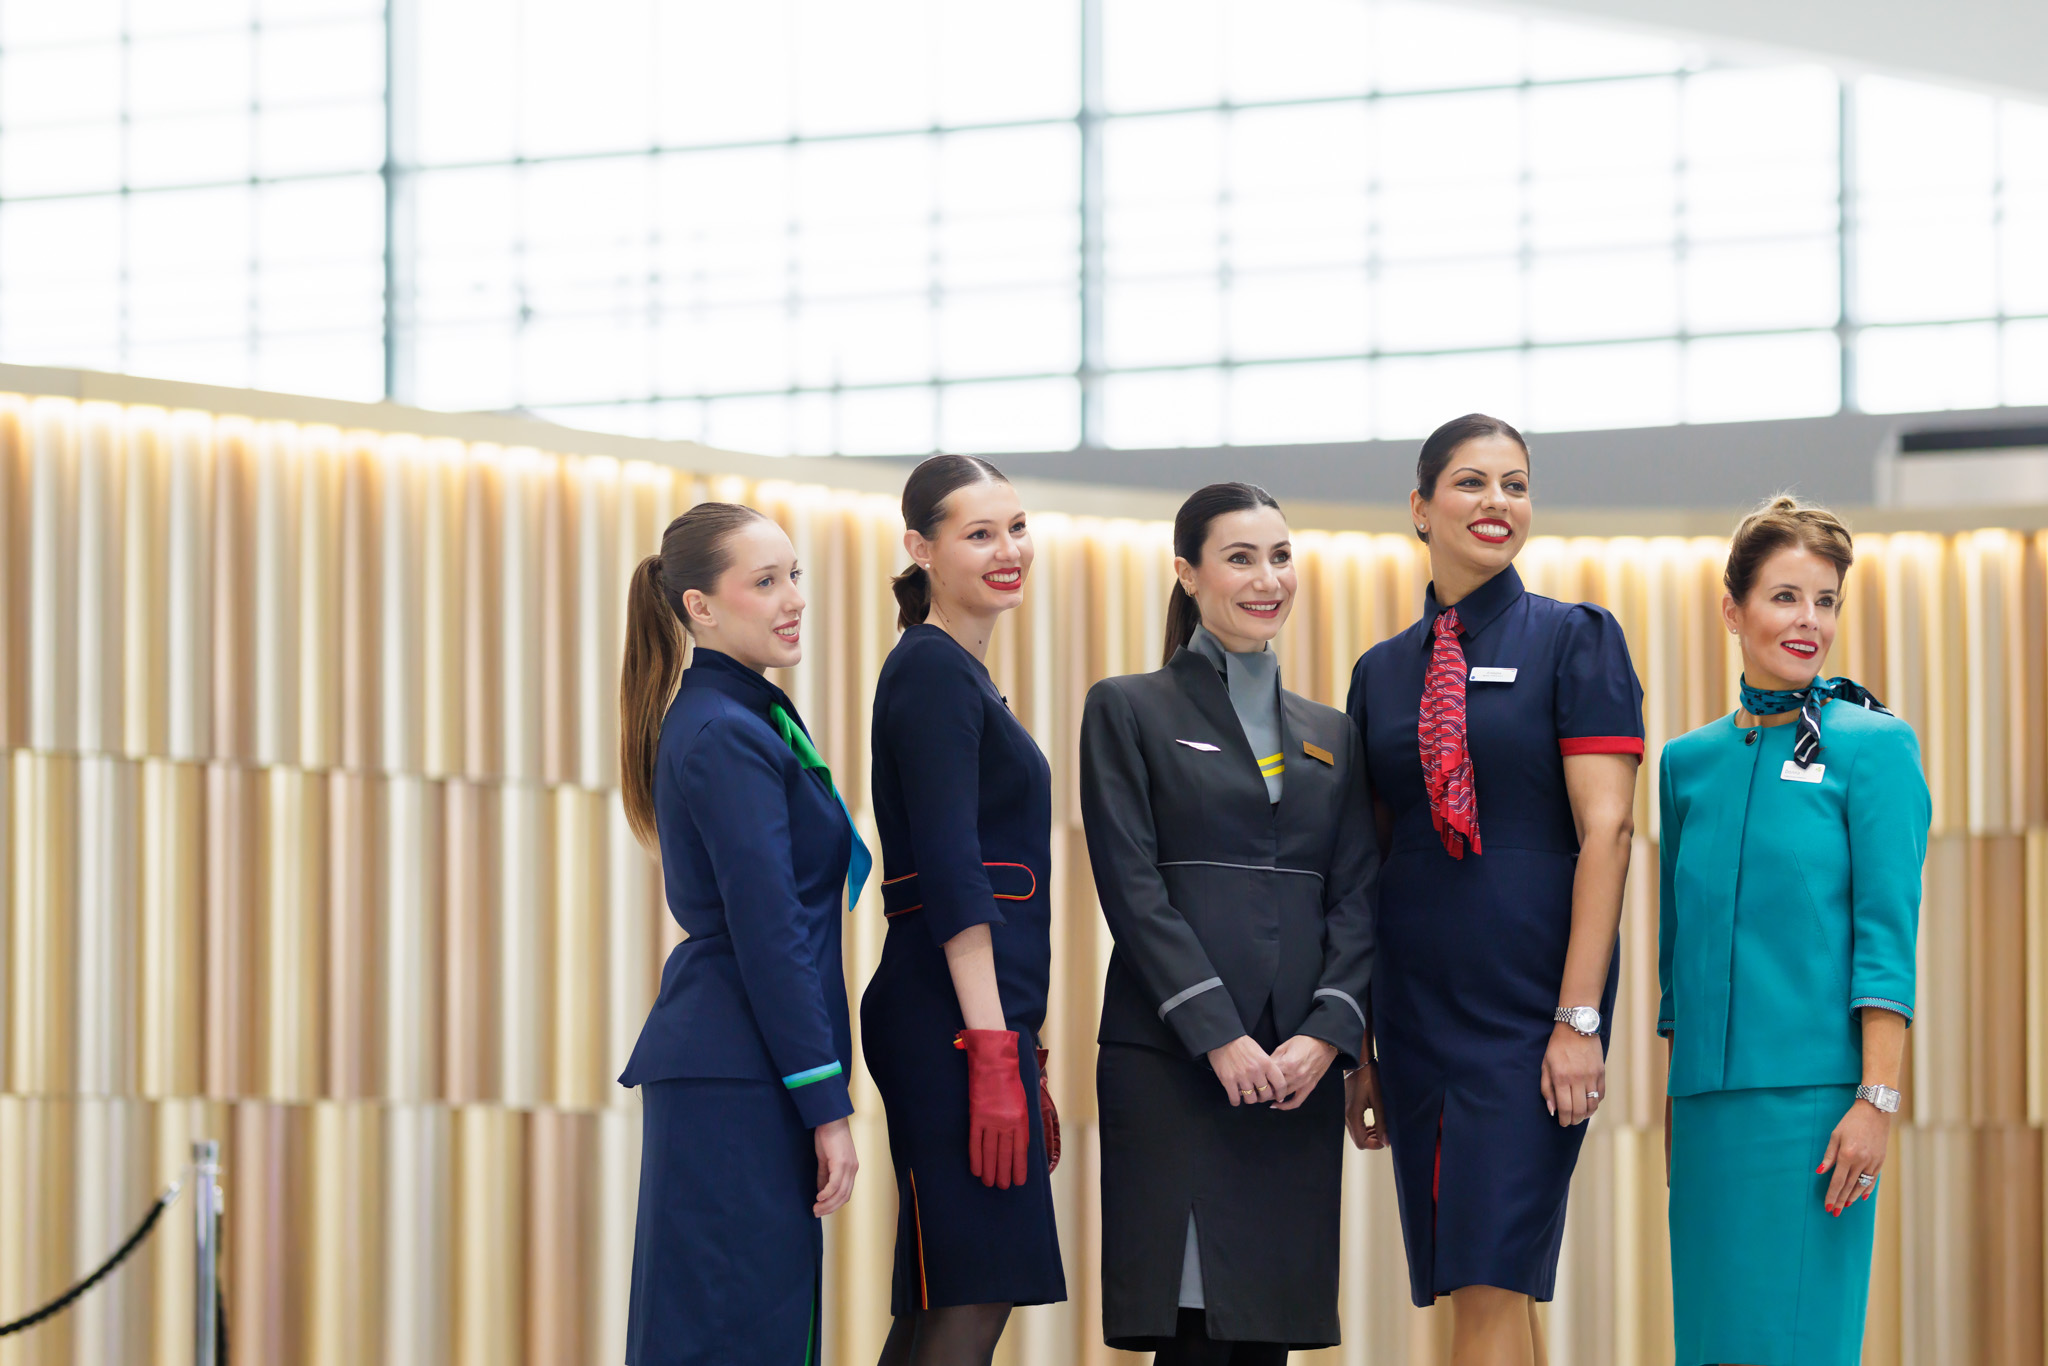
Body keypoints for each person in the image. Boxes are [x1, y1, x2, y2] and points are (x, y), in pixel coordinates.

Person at [1344, 414, 1643, 1365]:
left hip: (1528, 1009)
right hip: (1418, 1010)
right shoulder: (1381, 673)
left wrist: (1579, 1019)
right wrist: (1362, 1048)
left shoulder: (1576, 639)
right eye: (1472, 483)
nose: (1497, 503)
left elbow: (1610, 831)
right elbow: (1367, 866)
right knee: (1480, 1279)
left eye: (1515, 484)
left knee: (1488, 1270)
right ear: (1421, 508)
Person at [1081, 483, 1379, 1363]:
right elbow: (1130, 886)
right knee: (1193, 1330)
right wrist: (1218, 1035)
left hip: (1296, 1072)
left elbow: (1359, 895)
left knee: (1263, 1328)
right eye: (1241, 558)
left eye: (1281, 556)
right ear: (1187, 573)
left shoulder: (1333, 733)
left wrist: (1326, 1037)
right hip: (1177, 1063)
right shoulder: (1128, 707)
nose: (1267, 578)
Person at [1658, 496, 1927, 1366]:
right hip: (1704, 1112)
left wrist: (1875, 1102)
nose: (1809, 620)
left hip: (1819, 1114)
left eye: (1826, 600)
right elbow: (1677, 956)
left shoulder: (1875, 746)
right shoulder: (1686, 762)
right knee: (1710, 1344)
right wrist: (1674, 1100)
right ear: (1732, 609)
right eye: (1785, 597)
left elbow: (1886, 939)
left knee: (1797, 1344)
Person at [615, 503, 869, 1366]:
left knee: (752, 1320)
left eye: (793, 574)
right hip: (740, 1066)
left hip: (739, 1060)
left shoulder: (742, 716)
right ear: (699, 609)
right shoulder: (725, 731)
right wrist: (825, 1104)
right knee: (733, 1329)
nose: (792, 598)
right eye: (764, 582)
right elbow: (772, 936)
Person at [863, 455, 1066, 1366]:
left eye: (1016, 528)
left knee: (951, 1293)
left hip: (965, 1016)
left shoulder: (956, 672)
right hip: (951, 1019)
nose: (1007, 549)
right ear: (920, 548)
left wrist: (1018, 1042)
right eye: (979, 534)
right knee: (972, 1293)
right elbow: (952, 871)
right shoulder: (936, 672)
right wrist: (992, 1048)